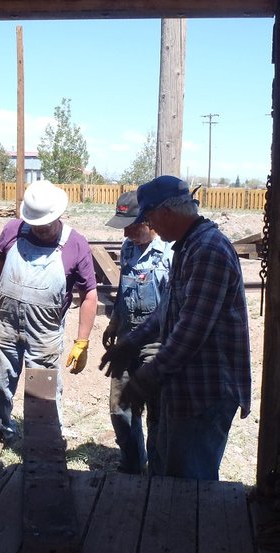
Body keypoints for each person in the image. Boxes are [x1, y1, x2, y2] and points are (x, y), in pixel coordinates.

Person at [100, 175, 251, 480]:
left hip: (206, 392)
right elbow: (168, 310)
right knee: (169, 475)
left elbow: (191, 332)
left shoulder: (208, 250)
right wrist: (131, 342)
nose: (151, 226)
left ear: (166, 212)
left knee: (189, 486)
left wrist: (147, 378)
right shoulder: (188, 247)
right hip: (186, 388)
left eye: (150, 217)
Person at [0, 180, 98, 444]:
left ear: (58, 215)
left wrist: (82, 342)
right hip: (5, 325)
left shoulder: (75, 244)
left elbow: (88, 294)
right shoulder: (12, 231)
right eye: (36, 225)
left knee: (42, 389)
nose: (40, 230)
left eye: (46, 225)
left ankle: (44, 441)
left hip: (45, 333)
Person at [103, 190, 173, 474]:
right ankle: (132, 464)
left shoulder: (170, 252)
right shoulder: (128, 249)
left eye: (133, 227)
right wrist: (115, 322)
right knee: (120, 407)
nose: (127, 234)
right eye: (124, 227)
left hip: (156, 342)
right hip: (127, 337)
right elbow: (123, 290)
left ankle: (157, 470)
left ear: (150, 221)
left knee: (156, 410)